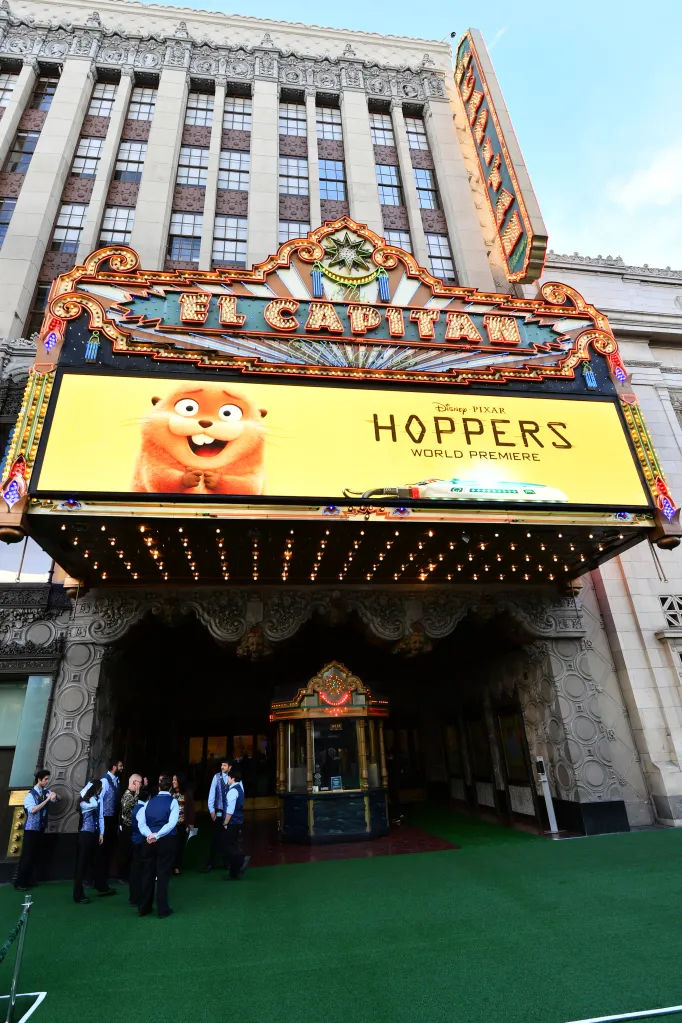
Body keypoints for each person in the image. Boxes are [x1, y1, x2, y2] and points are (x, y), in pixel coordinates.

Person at [137, 774, 179, 919]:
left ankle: (144, 907)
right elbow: (172, 823)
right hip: (166, 841)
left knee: (147, 874)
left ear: (159, 787)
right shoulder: (173, 802)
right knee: (163, 875)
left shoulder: (149, 802)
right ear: (171, 788)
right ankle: (162, 909)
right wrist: (158, 835)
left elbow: (141, 822)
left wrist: (149, 835)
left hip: (148, 841)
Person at [73, 780, 116, 903]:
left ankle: (102, 887)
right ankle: (78, 894)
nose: (101, 791)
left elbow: (101, 816)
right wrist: (90, 790)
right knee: (82, 864)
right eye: (99, 788)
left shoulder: (96, 799)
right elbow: (93, 805)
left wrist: (101, 833)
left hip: (95, 834)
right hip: (86, 834)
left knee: (99, 861)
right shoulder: (85, 802)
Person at [15, 770, 56, 891]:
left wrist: (54, 795)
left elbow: (56, 798)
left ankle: (29, 880)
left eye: (48, 779)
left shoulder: (45, 792)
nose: (47, 781)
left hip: (40, 828)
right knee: (27, 856)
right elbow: (33, 810)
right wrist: (47, 799)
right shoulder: (30, 795)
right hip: (31, 829)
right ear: (39, 779)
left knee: (35, 855)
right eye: (45, 779)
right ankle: (20, 882)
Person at [95, 757, 123, 889]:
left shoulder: (117, 781)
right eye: (120, 765)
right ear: (114, 767)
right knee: (102, 848)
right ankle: (98, 877)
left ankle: (105, 875)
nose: (121, 767)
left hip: (113, 818)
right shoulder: (104, 781)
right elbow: (99, 800)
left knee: (110, 847)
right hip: (105, 818)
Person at [201, 758, 232, 872]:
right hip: (218, 811)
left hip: (229, 813)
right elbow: (212, 793)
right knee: (216, 837)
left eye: (225, 765)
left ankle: (227, 862)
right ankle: (211, 863)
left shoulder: (232, 778)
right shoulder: (216, 777)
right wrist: (211, 810)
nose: (222, 767)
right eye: (222, 765)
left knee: (228, 838)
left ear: (230, 767)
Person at [222, 766, 250, 881]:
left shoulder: (232, 791)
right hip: (238, 821)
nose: (227, 780)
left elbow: (230, 810)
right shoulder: (240, 788)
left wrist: (225, 822)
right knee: (233, 845)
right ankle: (234, 872)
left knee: (228, 846)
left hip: (233, 822)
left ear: (232, 778)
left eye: (228, 777)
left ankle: (243, 858)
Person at [118, 774, 142, 883]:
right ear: (134, 782)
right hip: (127, 828)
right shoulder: (127, 795)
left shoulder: (132, 795)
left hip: (132, 828)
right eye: (139, 783)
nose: (140, 785)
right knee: (126, 853)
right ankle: (123, 876)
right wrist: (137, 794)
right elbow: (127, 808)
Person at [129, 785, 150, 907]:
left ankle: (133, 896)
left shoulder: (137, 807)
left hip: (135, 841)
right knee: (139, 871)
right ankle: (137, 896)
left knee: (135, 870)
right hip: (140, 842)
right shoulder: (142, 809)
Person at [171, 772, 195, 875]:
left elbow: (191, 809)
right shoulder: (170, 793)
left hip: (181, 825)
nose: (173, 782)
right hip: (171, 825)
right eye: (173, 780)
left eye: (175, 780)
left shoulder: (187, 794)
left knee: (179, 846)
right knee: (170, 846)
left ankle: (176, 866)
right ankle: (170, 865)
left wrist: (190, 822)